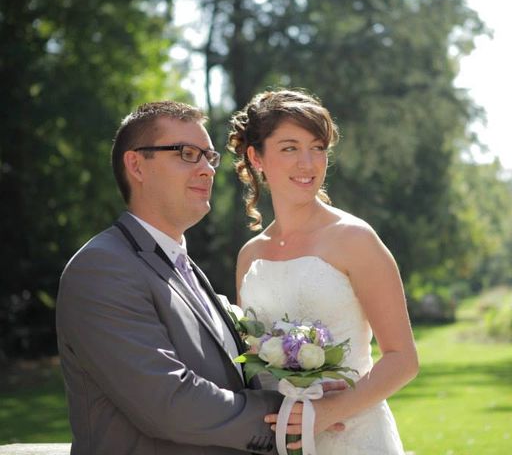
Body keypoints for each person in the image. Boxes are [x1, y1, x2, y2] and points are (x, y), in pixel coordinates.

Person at [57, 100, 305, 455]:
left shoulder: (183, 265)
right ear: (136, 165)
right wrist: (288, 415)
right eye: (188, 153)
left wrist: (307, 387)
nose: (207, 169)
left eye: (209, 156)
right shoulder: (101, 268)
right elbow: (168, 403)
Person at [227, 89, 419, 454]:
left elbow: (402, 359)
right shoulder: (250, 257)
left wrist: (331, 411)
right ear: (256, 157)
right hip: (277, 438)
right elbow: (251, 362)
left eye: (317, 148)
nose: (308, 163)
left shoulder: (355, 239)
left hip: (354, 436)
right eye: (289, 148)